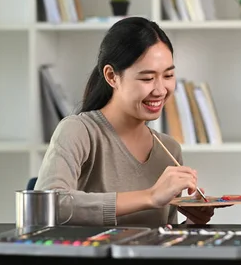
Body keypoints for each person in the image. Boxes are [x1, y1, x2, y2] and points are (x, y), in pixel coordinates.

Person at [35, 16, 214, 226]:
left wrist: (193, 224)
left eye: (168, 76)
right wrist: (150, 196)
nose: (160, 90)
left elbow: (164, 237)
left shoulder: (169, 149)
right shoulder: (79, 131)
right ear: (112, 76)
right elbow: (47, 205)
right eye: (147, 78)